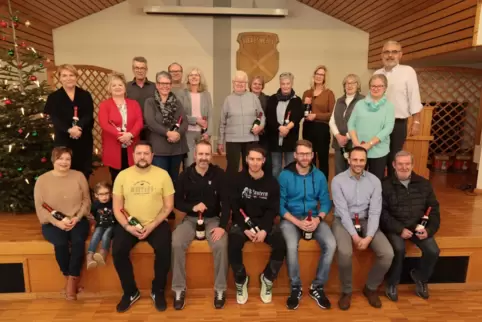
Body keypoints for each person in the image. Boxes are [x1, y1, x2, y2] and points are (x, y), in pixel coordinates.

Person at [111, 141, 174, 313]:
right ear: (133, 156)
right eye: (139, 153)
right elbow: (117, 207)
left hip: (156, 223)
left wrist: (153, 225)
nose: (142, 157)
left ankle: (158, 290)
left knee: (164, 250)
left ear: (152, 156)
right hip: (129, 224)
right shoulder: (123, 176)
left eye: (146, 153)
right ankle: (130, 292)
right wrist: (127, 226)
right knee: (117, 251)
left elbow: (168, 206)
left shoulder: (163, 175)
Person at [331, 146, 394, 310]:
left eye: (362, 160)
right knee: (345, 252)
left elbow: (375, 211)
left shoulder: (374, 181)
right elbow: (343, 212)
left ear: (366, 161)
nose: (358, 163)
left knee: (387, 253)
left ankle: (371, 287)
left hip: (366, 220)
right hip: (343, 221)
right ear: (349, 160)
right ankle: (346, 291)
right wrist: (355, 236)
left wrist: (369, 237)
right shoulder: (338, 180)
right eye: (355, 160)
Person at [278, 140, 336, 310]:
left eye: (308, 154)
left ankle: (317, 287)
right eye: (301, 153)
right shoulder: (284, 175)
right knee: (290, 246)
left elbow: (326, 202)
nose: (304, 157)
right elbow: (279, 205)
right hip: (291, 218)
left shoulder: (319, 176)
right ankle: (295, 286)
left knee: (331, 244)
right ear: (295, 155)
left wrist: (318, 219)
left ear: (312, 155)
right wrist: (297, 222)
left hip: (313, 218)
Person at [171, 140, 230, 310]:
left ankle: (220, 289)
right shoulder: (185, 176)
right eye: (201, 154)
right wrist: (192, 207)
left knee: (221, 244)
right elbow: (177, 202)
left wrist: (222, 226)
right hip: (190, 219)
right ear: (195, 155)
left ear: (211, 156)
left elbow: (226, 203)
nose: (204, 158)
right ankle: (178, 289)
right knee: (176, 242)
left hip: (212, 220)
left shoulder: (219, 175)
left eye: (207, 154)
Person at [228, 145, 286, 305]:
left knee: (281, 244)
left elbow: (273, 209)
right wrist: (245, 229)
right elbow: (235, 207)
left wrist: (265, 230)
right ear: (246, 160)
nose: (254, 163)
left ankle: (268, 278)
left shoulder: (272, 182)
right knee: (232, 244)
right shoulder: (237, 179)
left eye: (258, 159)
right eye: (252, 159)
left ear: (264, 161)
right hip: (242, 222)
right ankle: (240, 280)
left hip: (264, 222)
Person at [381, 150, 440, 301]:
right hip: (395, 227)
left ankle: (421, 277)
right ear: (394, 165)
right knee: (399, 249)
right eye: (400, 164)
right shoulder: (384, 185)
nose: (404, 167)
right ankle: (392, 283)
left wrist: (429, 230)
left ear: (412, 165)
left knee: (433, 250)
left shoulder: (424, 184)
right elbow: (382, 213)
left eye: (407, 164)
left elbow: (434, 210)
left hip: (418, 227)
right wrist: (399, 229)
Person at [33, 146, 91, 300]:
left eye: (68, 159)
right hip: (53, 223)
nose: (64, 162)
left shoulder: (79, 176)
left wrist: (77, 218)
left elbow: (86, 200)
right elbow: (40, 207)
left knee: (78, 242)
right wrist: (57, 223)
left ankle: (71, 283)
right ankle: (70, 278)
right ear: (53, 160)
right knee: (61, 244)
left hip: (77, 220)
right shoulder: (42, 180)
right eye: (60, 158)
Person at [374, 40, 423, 177]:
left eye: (394, 52)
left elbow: (414, 97)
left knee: (394, 159)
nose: (390, 55)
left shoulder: (408, 71)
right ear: (381, 55)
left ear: (400, 55)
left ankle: (392, 191)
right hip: (378, 123)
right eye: (387, 52)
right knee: (378, 158)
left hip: (398, 123)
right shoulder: (377, 73)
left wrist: (416, 122)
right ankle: (377, 192)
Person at [44, 64, 94, 180]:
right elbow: (52, 118)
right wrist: (69, 130)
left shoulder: (85, 95)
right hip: (63, 140)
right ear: (60, 78)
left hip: (83, 139)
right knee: (64, 172)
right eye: (64, 75)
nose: (68, 78)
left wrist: (78, 127)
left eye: (71, 75)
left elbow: (88, 115)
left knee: (83, 173)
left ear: (76, 77)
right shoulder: (53, 97)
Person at [98, 73, 144, 182]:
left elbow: (139, 122)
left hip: (132, 145)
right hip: (114, 147)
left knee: (134, 179)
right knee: (117, 179)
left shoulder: (134, 104)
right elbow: (104, 124)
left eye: (120, 85)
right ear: (109, 88)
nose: (117, 87)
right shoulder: (105, 105)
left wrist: (130, 135)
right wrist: (121, 136)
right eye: (114, 85)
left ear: (124, 87)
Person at [348, 74, 395, 181]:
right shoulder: (359, 104)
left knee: (376, 181)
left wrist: (369, 144)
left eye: (380, 86)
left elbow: (388, 128)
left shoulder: (389, 106)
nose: (376, 88)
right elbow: (351, 124)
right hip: (358, 149)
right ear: (369, 87)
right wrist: (356, 144)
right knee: (356, 179)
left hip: (379, 151)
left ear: (385, 88)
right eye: (373, 86)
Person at [144, 71, 188, 184]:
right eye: (162, 83)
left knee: (174, 181)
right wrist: (168, 133)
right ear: (157, 85)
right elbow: (150, 122)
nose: (165, 86)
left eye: (168, 83)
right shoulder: (150, 102)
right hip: (159, 150)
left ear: (171, 85)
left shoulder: (177, 102)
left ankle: (173, 202)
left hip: (177, 148)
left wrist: (178, 134)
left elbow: (184, 121)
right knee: (160, 182)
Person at [218, 70, 264, 174]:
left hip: (250, 138)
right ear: (233, 83)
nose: (239, 84)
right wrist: (220, 141)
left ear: (246, 84)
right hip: (232, 140)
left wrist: (260, 127)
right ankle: (231, 189)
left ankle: (248, 189)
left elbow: (261, 115)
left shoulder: (253, 98)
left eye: (242, 82)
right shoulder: (228, 99)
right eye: (237, 81)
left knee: (250, 167)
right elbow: (222, 122)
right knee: (232, 168)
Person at [265, 72, 303, 178]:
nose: (285, 86)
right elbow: (270, 117)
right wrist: (280, 128)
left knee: (290, 166)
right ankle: (277, 191)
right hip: (274, 138)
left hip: (290, 139)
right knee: (276, 167)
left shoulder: (297, 100)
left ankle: (288, 190)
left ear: (291, 84)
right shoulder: (272, 99)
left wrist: (286, 129)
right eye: (283, 84)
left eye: (288, 83)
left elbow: (297, 117)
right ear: (280, 84)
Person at [302, 65, 335, 179]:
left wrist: (316, 116)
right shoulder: (307, 92)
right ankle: (310, 183)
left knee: (323, 158)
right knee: (309, 158)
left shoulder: (329, 93)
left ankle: (323, 187)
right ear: (314, 75)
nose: (319, 76)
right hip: (308, 128)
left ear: (325, 78)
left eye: (322, 75)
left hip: (322, 129)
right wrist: (304, 105)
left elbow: (332, 114)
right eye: (317, 74)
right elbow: (301, 113)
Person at [329, 74, 365, 175]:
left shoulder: (363, 101)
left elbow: (362, 122)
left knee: (354, 172)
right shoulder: (339, 100)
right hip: (338, 143)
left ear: (357, 85)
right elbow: (332, 121)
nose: (349, 85)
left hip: (354, 142)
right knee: (339, 172)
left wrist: (347, 137)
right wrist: (338, 136)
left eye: (353, 83)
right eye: (347, 83)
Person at [177, 67, 213, 167]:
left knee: (203, 163)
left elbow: (210, 114)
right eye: (191, 75)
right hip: (188, 133)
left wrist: (208, 133)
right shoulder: (182, 93)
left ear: (200, 78)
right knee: (190, 163)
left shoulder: (206, 94)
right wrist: (196, 120)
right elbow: (180, 114)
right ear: (187, 78)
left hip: (202, 134)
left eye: (196, 75)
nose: (194, 77)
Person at [86, 181, 116, 270]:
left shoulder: (113, 203)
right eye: (101, 194)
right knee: (96, 235)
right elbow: (93, 217)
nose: (104, 197)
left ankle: (103, 254)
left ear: (110, 193)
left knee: (106, 235)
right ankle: (89, 257)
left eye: (107, 193)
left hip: (112, 225)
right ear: (96, 195)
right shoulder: (95, 205)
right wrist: (92, 224)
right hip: (100, 225)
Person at [126, 56, 156, 140]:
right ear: (133, 69)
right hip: (132, 129)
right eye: (137, 68)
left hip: (151, 129)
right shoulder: (126, 87)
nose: (139, 70)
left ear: (146, 69)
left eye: (142, 68)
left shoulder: (155, 87)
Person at [249, 75, 271, 171]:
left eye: (260, 84)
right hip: (248, 135)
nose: (257, 86)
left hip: (264, 135)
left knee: (264, 160)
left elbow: (269, 116)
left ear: (262, 86)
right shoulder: (244, 98)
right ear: (250, 85)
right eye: (255, 84)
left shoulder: (268, 99)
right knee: (250, 159)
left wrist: (261, 128)